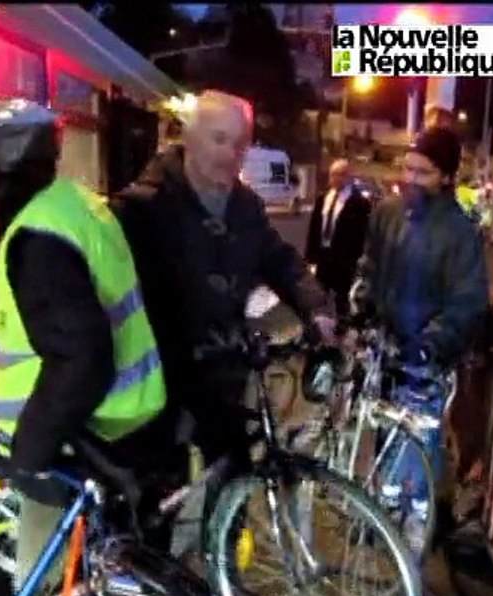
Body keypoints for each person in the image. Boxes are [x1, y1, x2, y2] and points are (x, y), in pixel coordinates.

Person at [0, 100, 176, 589]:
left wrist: (30, 450)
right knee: (103, 574)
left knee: (41, 590)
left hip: (84, 434)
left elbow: (80, 355)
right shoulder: (75, 205)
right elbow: (52, 319)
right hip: (128, 420)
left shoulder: (37, 239)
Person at [110, 89, 333, 467]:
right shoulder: (142, 208)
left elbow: (281, 260)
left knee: (232, 476)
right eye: (219, 139)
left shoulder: (246, 206)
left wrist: (317, 309)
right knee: (162, 487)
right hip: (159, 383)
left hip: (225, 376)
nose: (231, 153)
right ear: (189, 138)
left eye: (240, 145)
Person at [350, 125, 489, 556]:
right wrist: (361, 300)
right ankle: (384, 513)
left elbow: (467, 301)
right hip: (386, 349)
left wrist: (432, 342)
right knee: (385, 437)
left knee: (420, 446)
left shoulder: (460, 232)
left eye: (423, 172)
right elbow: (370, 266)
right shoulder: (387, 213)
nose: (410, 179)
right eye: (408, 168)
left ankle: (415, 523)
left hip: (426, 359)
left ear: (446, 176)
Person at [304, 159, 371, 317]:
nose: (336, 178)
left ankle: (342, 323)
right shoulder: (323, 199)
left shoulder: (359, 203)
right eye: (333, 174)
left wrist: (357, 258)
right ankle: (319, 322)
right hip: (324, 256)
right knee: (319, 294)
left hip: (344, 259)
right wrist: (310, 255)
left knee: (342, 297)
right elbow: (315, 227)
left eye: (340, 175)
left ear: (348, 176)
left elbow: (362, 233)